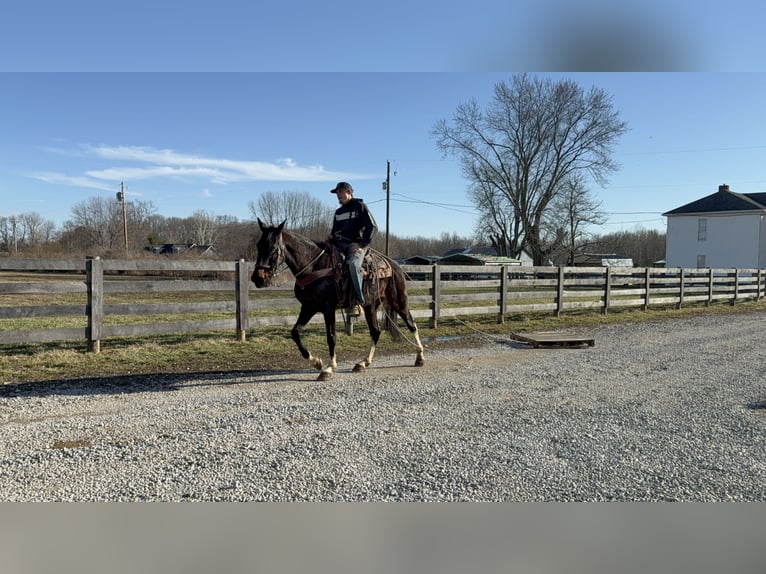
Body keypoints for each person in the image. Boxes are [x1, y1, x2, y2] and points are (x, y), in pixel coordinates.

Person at [329, 181, 378, 316]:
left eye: (340, 192)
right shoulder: (338, 212)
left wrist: (362, 244)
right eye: (337, 193)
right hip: (338, 245)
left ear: (349, 192)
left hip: (354, 245)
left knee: (352, 264)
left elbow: (372, 227)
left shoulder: (359, 206)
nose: (338, 195)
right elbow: (334, 232)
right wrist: (330, 239)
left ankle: (357, 301)